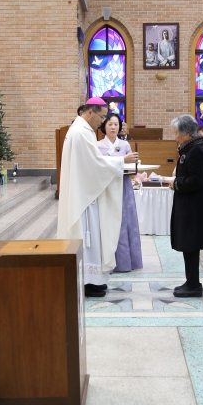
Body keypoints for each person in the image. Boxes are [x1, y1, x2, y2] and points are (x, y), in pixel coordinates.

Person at [57, 97, 139, 297]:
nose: (102, 122)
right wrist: (121, 161)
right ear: (90, 112)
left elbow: (94, 162)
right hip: (84, 196)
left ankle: (94, 280)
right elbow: (96, 164)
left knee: (92, 238)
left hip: (85, 191)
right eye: (101, 117)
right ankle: (88, 282)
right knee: (88, 237)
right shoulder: (80, 132)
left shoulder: (81, 130)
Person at [168, 115, 203, 297]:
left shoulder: (197, 151)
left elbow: (196, 181)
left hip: (194, 208)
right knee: (189, 245)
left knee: (191, 245)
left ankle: (194, 285)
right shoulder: (191, 148)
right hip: (189, 205)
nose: (175, 137)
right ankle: (191, 282)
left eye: (176, 133)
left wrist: (176, 183)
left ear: (187, 133)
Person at [97, 113, 143, 273]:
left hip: (123, 186)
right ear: (104, 126)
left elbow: (131, 167)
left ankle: (124, 262)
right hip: (105, 187)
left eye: (116, 124)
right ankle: (106, 260)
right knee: (107, 220)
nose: (113, 127)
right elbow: (97, 166)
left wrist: (133, 161)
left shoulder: (125, 145)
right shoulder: (97, 145)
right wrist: (121, 160)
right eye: (110, 124)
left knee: (124, 219)